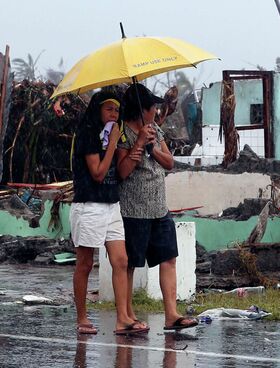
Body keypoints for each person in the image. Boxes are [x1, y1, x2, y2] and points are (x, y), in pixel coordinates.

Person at [116, 83, 198, 331]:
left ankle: (171, 314)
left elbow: (169, 162)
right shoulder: (122, 135)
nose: (155, 111)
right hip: (134, 210)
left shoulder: (155, 130)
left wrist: (152, 147)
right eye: (152, 108)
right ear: (142, 110)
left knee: (168, 258)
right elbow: (122, 171)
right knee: (130, 264)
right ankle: (128, 315)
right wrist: (139, 144)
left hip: (159, 207)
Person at [70, 90, 148, 335]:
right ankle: (82, 318)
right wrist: (113, 143)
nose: (114, 114)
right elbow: (98, 174)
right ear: (97, 110)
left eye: (116, 110)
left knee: (121, 261)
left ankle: (123, 318)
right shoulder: (88, 134)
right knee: (85, 263)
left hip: (111, 203)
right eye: (108, 109)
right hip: (90, 205)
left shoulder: (113, 133)